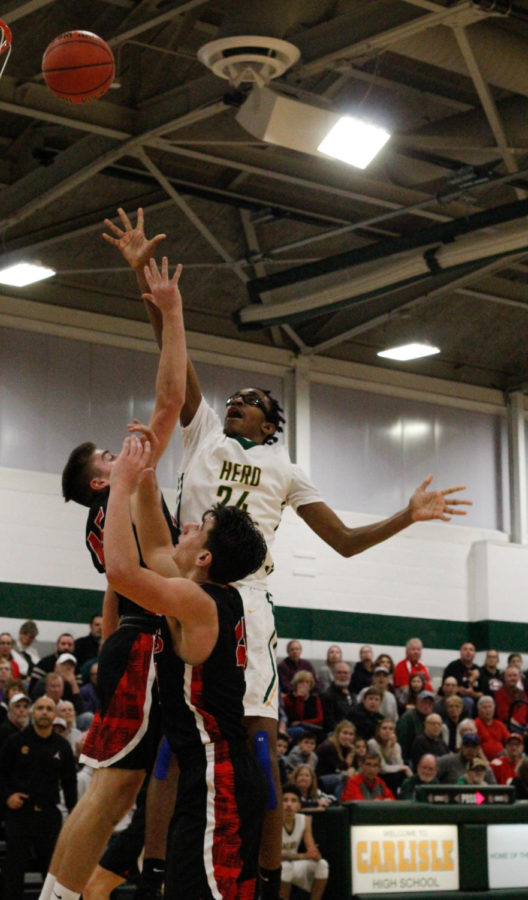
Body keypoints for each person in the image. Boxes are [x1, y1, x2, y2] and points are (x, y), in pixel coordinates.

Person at [108, 204, 471, 899]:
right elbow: (175, 368)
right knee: (176, 749)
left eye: (251, 400)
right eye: (235, 396)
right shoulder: (204, 433)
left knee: (258, 745)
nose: (236, 401)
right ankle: (155, 874)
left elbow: (343, 541)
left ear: (272, 422)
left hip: (245, 603)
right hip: (184, 582)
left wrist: (408, 513)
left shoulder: (288, 468)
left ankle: (267, 878)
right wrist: (156, 301)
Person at [41, 255, 187, 900]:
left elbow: (112, 590)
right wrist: (170, 310)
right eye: (109, 454)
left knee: (140, 777)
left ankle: (133, 880)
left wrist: (105, 647)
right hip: (147, 640)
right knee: (112, 785)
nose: (120, 449)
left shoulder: (108, 512)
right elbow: (172, 398)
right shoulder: (121, 493)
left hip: (134, 639)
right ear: (102, 479)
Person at [103, 432, 269, 899]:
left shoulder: (197, 601)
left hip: (220, 776)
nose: (186, 527)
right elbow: (156, 546)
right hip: (212, 776)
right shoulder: (204, 593)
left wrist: (119, 486)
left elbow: (122, 571)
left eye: (196, 528)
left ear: (204, 558)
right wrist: (145, 474)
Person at [0, 695, 77, 900]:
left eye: (49, 709)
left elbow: (69, 784)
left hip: (49, 815)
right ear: (33, 712)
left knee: (51, 872)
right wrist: (7, 796)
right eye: (40, 708)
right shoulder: (16, 741)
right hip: (20, 814)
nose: (44, 712)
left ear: (55, 714)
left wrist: (74, 818)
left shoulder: (62, 746)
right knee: (14, 871)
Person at [280, 786, 329, 900]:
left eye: (293, 801)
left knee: (322, 864)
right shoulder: (273, 822)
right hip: (276, 868)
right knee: (286, 867)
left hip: (293, 864)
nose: (289, 804)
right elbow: (274, 857)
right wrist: (303, 856)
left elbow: (311, 850)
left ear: (299, 806)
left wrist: (315, 855)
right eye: (285, 800)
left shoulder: (304, 820)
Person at [367, 719, 411, 790]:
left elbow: (399, 764)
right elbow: (382, 768)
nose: (387, 731)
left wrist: (392, 747)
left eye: (391, 729)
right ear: (378, 731)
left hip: (390, 776)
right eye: (384, 728)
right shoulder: (373, 744)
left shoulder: (396, 745)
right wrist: (403, 768)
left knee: (400, 775)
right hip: (377, 774)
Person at [396, 690, 436, 762]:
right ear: (417, 703)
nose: (427, 706)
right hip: (411, 758)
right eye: (424, 702)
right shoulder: (407, 718)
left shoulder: (433, 717)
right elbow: (402, 743)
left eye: (430, 703)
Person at [283, 671, 323, 740]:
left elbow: (319, 719)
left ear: (311, 685)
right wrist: (299, 698)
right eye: (301, 682)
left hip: (311, 727)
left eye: (307, 682)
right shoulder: (287, 699)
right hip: (292, 728)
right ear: (296, 684)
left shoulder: (315, 700)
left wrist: (302, 723)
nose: (304, 684)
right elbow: (298, 716)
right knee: (300, 731)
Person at [442, 643, 482, 712]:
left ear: (475, 653)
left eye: (471, 650)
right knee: (468, 701)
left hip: (475, 700)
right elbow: (444, 687)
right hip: (455, 699)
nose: (468, 652)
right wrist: (473, 678)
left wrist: (472, 694)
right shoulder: (453, 667)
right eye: (465, 649)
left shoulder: (479, 669)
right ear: (460, 652)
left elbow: (482, 693)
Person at [321, 661, 356, 733]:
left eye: (345, 673)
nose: (342, 676)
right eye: (339, 673)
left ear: (350, 675)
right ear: (333, 675)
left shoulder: (353, 694)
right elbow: (329, 721)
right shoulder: (327, 695)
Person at [475, 695, 510, 760]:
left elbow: (509, 741)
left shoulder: (499, 724)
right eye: (484, 707)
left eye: (490, 707)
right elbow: (476, 747)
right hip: (482, 760)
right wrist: (486, 763)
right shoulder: (475, 724)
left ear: (494, 709)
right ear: (479, 710)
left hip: (502, 757)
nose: (488, 710)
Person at [494, 665, 528, 732]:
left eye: (515, 675)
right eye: (509, 676)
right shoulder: (500, 693)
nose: (512, 678)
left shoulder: (523, 693)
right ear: (505, 678)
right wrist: (522, 728)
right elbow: (505, 717)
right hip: (510, 726)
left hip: (524, 726)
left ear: (519, 677)